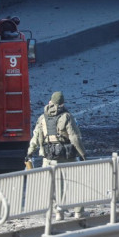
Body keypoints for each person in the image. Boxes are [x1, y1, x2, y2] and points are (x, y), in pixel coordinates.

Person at [26, 91, 86, 220]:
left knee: (53, 185)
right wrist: (82, 154)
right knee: (76, 183)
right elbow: (74, 137)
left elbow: (36, 138)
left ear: (50, 102)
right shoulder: (67, 117)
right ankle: (78, 212)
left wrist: (29, 152)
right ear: (62, 103)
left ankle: (59, 212)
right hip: (66, 156)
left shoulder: (42, 118)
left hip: (48, 157)